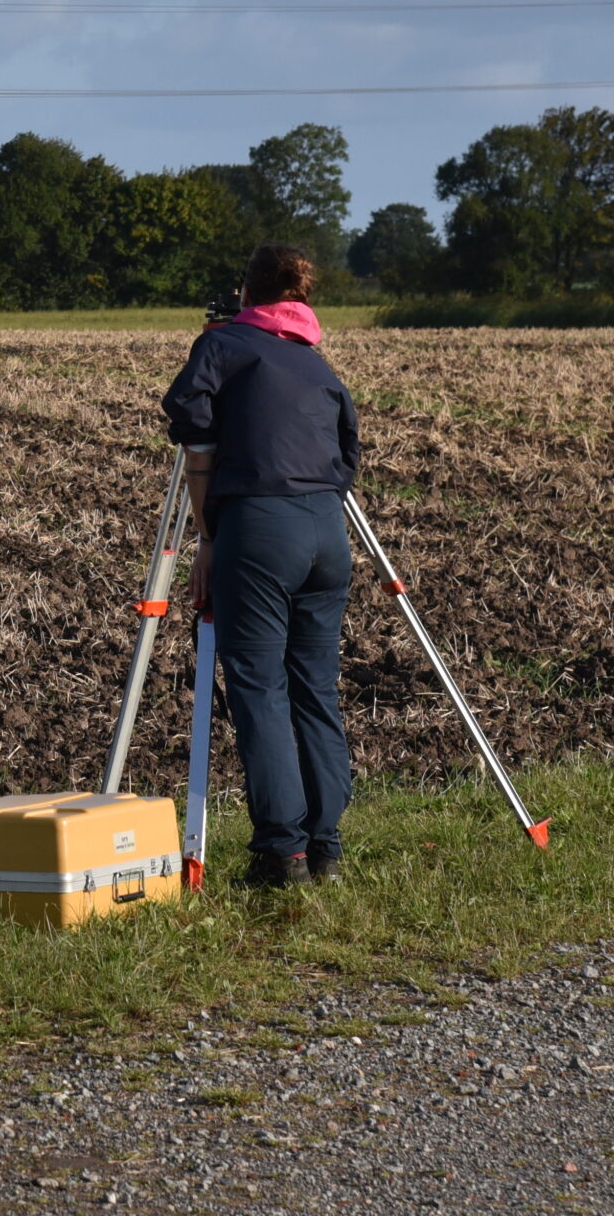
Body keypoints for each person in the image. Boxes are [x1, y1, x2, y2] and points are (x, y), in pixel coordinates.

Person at [163, 242, 361, 889]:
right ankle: (323, 844)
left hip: (259, 529)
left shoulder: (223, 348)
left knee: (259, 689)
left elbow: (195, 434)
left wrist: (209, 537)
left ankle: (282, 852)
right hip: (328, 533)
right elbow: (349, 455)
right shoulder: (317, 363)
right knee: (314, 687)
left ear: (245, 294)